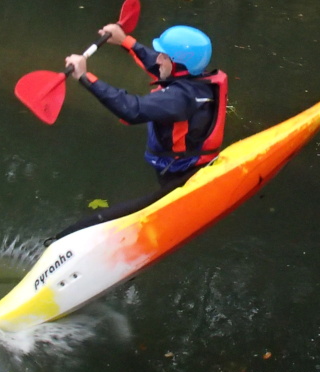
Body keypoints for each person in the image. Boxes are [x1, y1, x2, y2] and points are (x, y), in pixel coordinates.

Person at [53, 23, 228, 238]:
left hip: (180, 177)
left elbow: (132, 109)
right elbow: (159, 67)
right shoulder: (195, 80)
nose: (158, 59)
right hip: (195, 164)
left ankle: (65, 238)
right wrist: (125, 40)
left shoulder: (178, 99)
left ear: (177, 64)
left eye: (163, 56)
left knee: (98, 221)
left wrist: (85, 77)